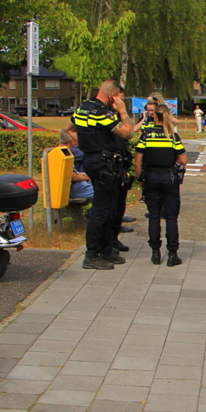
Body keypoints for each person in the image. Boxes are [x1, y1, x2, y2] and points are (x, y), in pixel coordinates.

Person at [71, 79, 134, 270]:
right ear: (113, 95)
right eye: (118, 97)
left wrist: (87, 145)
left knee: (110, 208)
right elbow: (127, 133)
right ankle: (92, 254)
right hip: (103, 163)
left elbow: (70, 128)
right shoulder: (101, 111)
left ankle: (106, 249)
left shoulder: (83, 107)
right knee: (101, 210)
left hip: (95, 160)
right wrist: (122, 111)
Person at [135, 102, 187, 266]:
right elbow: (183, 160)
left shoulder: (146, 135)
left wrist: (140, 179)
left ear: (154, 116)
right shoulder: (172, 136)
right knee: (171, 218)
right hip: (169, 178)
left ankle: (155, 253)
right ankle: (172, 254)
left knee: (154, 216)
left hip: (151, 177)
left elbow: (137, 160)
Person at [58, 128, 93, 202]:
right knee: (104, 192)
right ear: (71, 140)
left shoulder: (65, 150)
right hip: (73, 188)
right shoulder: (63, 152)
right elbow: (71, 176)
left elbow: (73, 173)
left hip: (76, 186)